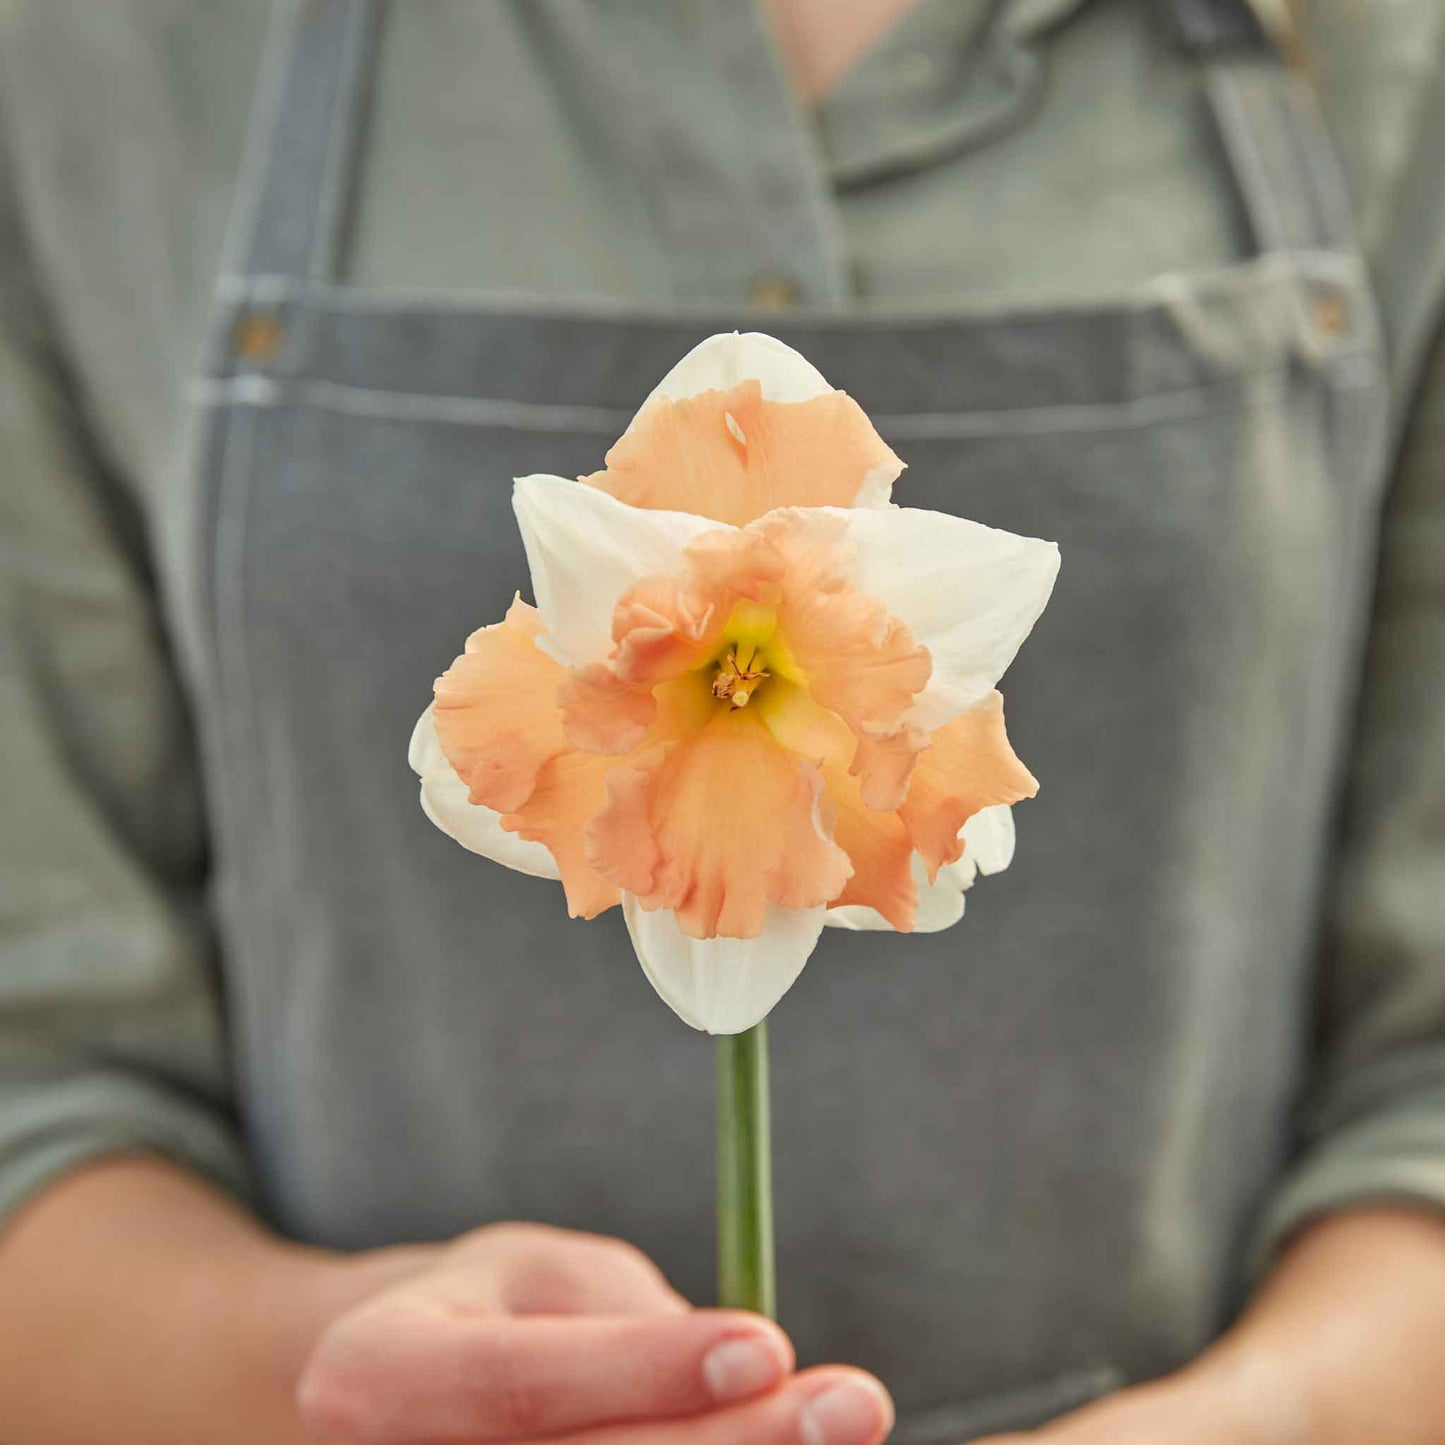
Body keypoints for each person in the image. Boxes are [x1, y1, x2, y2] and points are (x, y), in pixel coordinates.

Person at [1, 1, 1443, 1441]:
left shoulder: (1393, 47)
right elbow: (34, 1066)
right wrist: (289, 1379)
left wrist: (1276, 1420)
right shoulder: (106, 51)